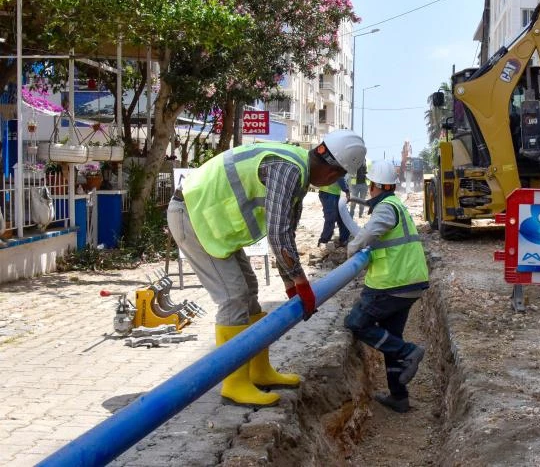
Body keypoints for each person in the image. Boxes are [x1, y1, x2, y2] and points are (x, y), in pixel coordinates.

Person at [167, 130, 366, 407]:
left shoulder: (297, 167)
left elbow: (288, 232)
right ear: (333, 174)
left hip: (211, 223)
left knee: (250, 292)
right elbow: (278, 234)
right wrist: (301, 282)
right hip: (192, 216)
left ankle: (258, 371)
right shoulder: (289, 170)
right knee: (233, 297)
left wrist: (289, 283)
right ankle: (234, 383)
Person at [344, 160, 429, 413]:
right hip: (408, 282)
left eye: (371, 186)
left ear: (377, 186)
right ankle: (399, 397)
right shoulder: (396, 205)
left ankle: (409, 352)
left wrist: (352, 249)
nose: (369, 190)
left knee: (356, 324)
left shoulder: (385, 208)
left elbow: (370, 233)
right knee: (390, 337)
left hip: (391, 283)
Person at [317, 175, 351, 248]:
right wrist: (347, 191)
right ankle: (324, 240)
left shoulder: (343, 164)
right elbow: (340, 177)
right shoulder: (339, 164)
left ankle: (344, 239)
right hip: (329, 193)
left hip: (333, 193)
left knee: (342, 217)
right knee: (331, 218)